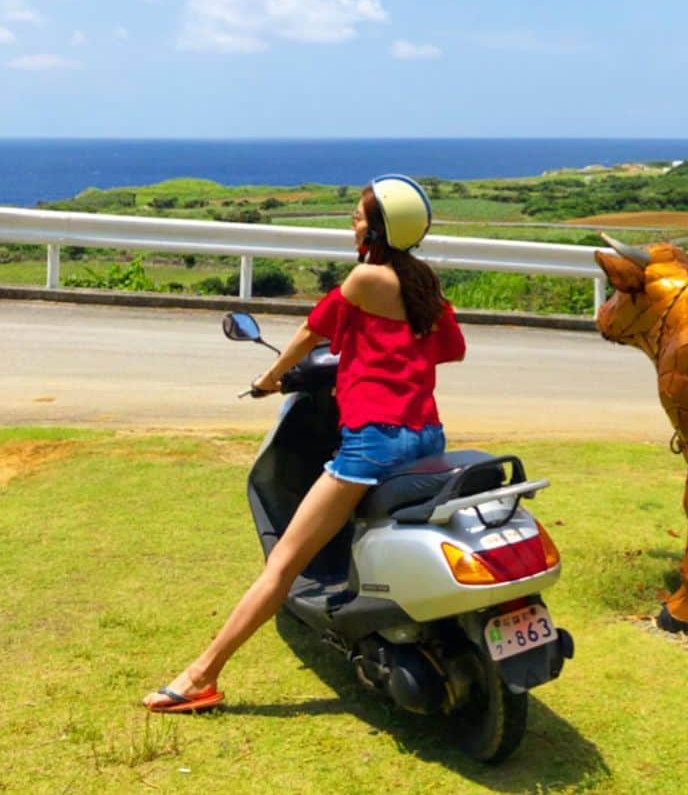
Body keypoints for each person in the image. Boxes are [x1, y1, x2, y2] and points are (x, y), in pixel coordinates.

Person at [143, 174, 466, 713]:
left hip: (374, 445)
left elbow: (311, 332)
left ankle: (201, 675)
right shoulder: (424, 284)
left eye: (360, 216)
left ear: (380, 228)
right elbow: (450, 348)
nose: (353, 223)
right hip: (427, 436)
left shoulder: (365, 278)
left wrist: (269, 379)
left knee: (282, 566)